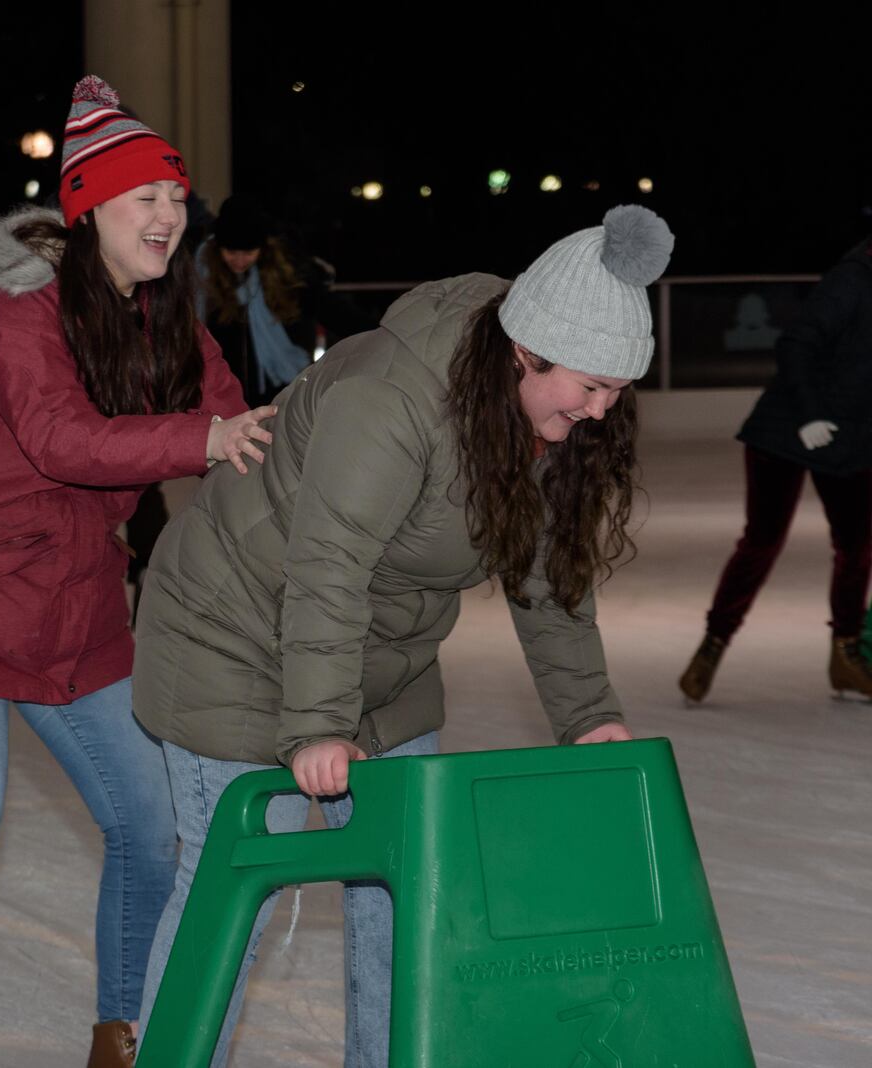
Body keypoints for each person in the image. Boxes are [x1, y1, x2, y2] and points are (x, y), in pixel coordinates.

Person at [133, 205, 671, 1067]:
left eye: (616, 391)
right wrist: (316, 724)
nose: (602, 412)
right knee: (233, 890)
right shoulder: (391, 399)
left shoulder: (539, 421)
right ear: (524, 353)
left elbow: (546, 583)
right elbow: (329, 564)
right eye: (591, 387)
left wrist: (587, 714)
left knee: (402, 889)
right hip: (230, 637)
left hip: (381, 661)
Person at [0, 75, 273, 1068]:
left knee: (150, 827)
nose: (168, 216)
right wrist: (203, 440)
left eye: (176, 199)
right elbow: (60, 439)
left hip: (76, 609)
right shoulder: (21, 310)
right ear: (87, 208)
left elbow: (246, 418)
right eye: (146, 199)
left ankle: (119, 1031)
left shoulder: (166, 315)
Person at [678, 235, 872, 703]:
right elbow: (796, 343)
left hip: (848, 442)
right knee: (762, 543)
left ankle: (846, 654)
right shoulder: (853, 280)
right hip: (788, 430)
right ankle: (711, 645)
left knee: (857, 545)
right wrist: (807, 415)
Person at [196, 194, 317, 407]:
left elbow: (329, 308)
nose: (240, 260)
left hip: (276, 391)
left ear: (262, 249)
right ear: (218, 247)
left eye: (249, 252)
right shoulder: (200, 280)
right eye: (232, 251)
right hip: (220, 395)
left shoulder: (283, 278)